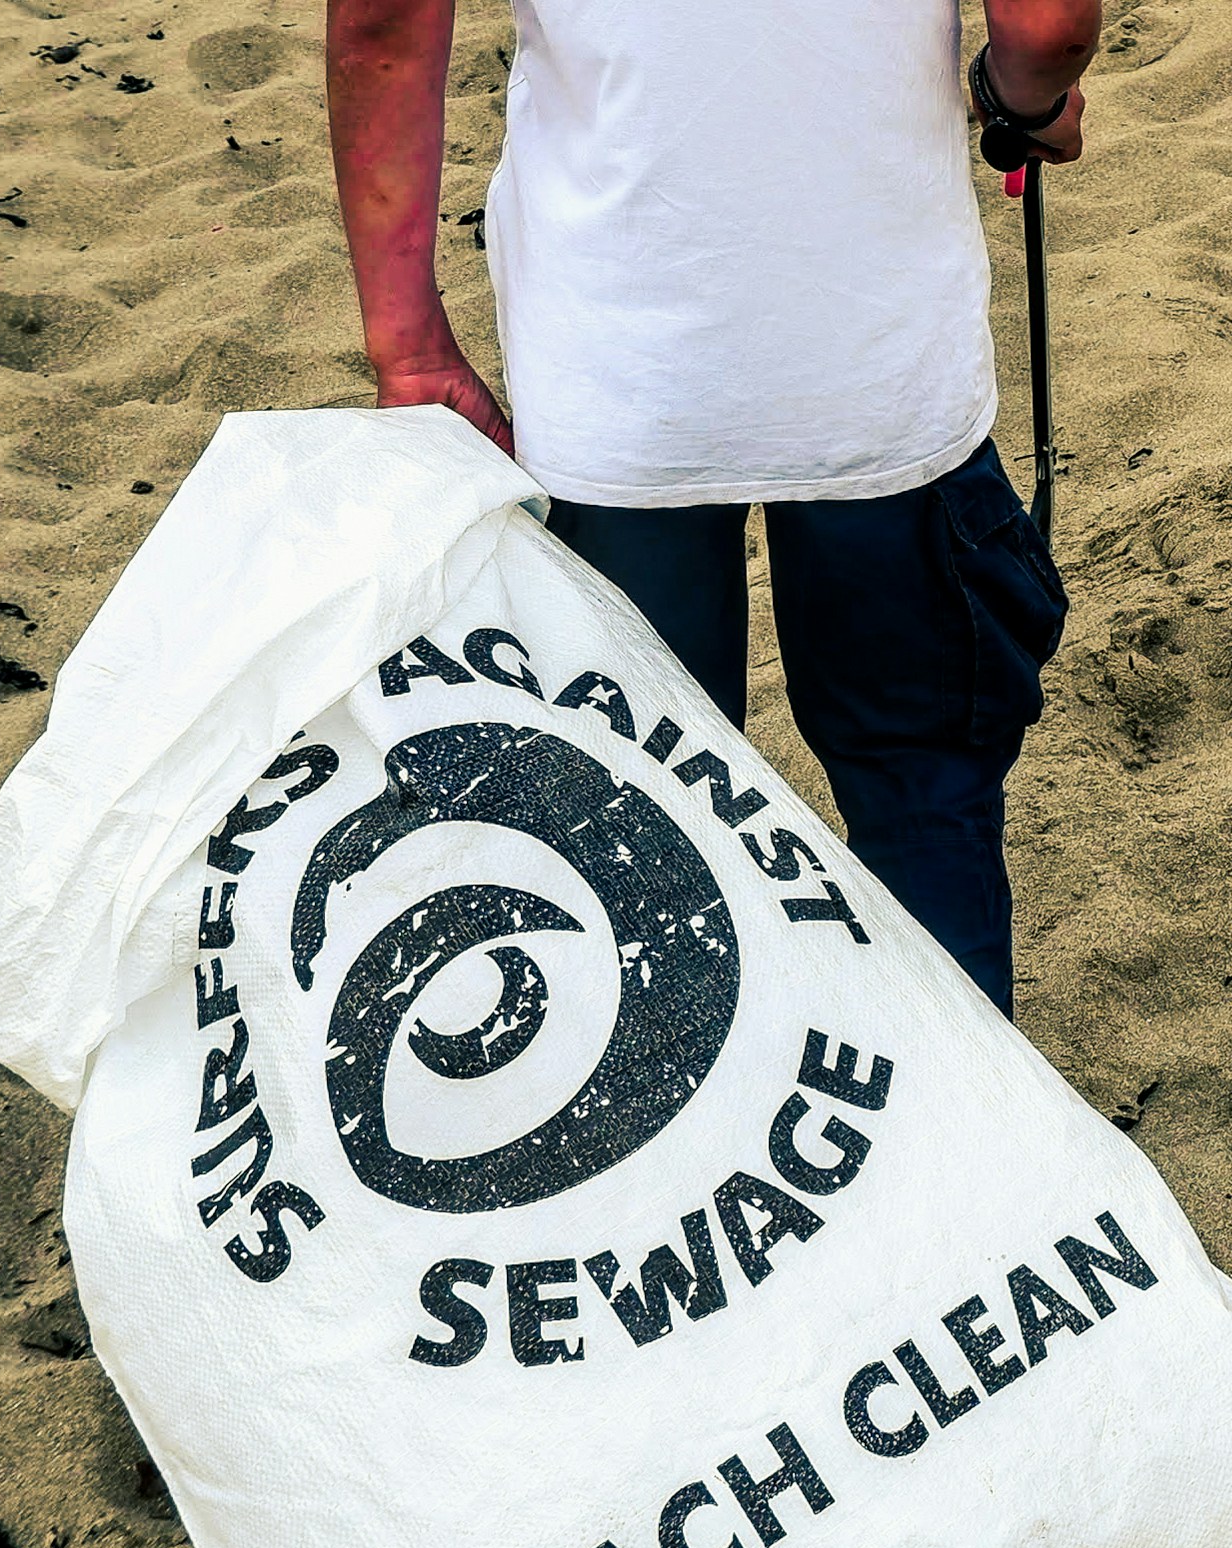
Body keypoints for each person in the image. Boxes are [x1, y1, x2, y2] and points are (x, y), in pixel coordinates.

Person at [324, 0, 1098, 1013]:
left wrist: (409, 342)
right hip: (875, 365)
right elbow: (1048, 23)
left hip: (619, 372)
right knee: (922, 810)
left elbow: (383, 24)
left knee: (642, 836)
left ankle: (691, 1153)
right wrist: (1018, 99)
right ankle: (967, 1148)